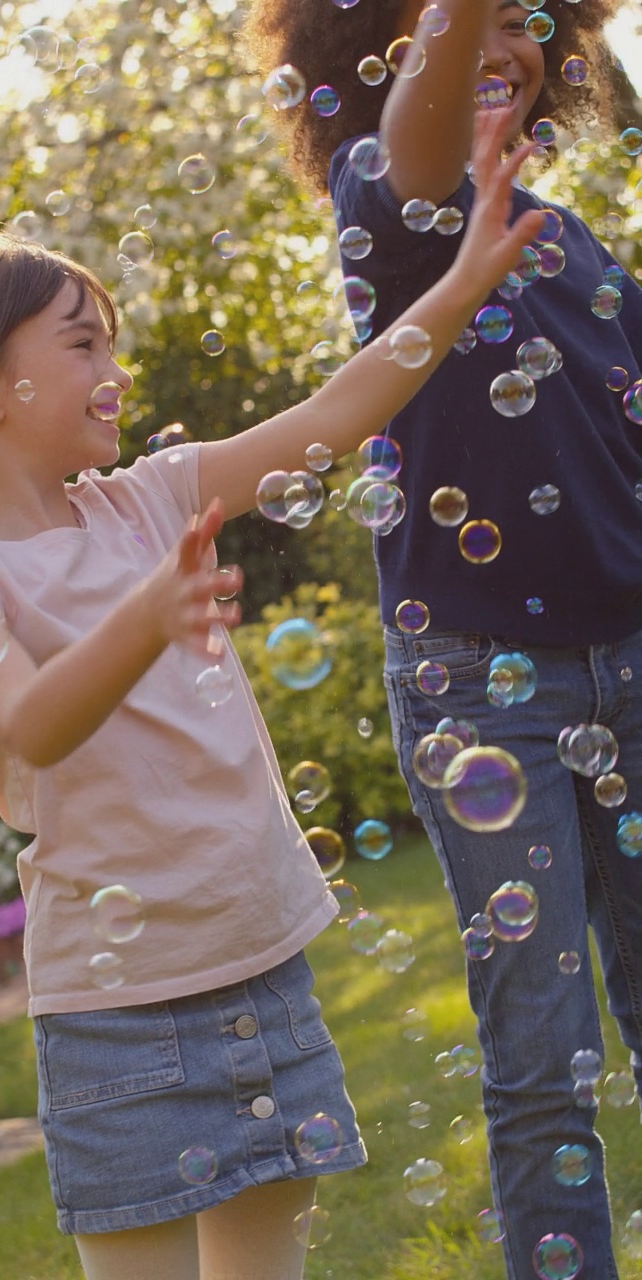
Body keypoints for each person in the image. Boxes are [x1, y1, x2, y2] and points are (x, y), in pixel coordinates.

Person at [0, 110, 540, 1280]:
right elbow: (33, 720)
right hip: (119, 1017)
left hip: (260, 958)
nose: (116, 372)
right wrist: (146, 616)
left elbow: (331, 418)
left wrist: (461, 283)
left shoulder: (150, 499)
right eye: (82, 346)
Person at [243, 1, 642, 1277]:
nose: (495, 40)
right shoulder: (388, 203)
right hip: (481, 676)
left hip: (630, 662)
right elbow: (421, 150)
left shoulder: (578, 247)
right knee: (542, 1055)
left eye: (529, 17)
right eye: (454, 19)